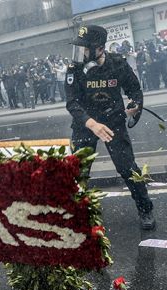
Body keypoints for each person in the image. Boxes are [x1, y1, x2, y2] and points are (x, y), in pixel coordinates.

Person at [66, 25, 155, 230]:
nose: (80, 53)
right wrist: (92, 124)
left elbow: (134, 89)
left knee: (127, 167)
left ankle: (145, 209)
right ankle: (77, 214)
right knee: (78, 172)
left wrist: (135, 105)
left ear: (99, 49)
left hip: (113, 122)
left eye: (84, 49)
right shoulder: (74, 69)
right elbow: (72, 103)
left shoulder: (118, 64)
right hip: (85, 125)